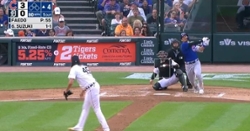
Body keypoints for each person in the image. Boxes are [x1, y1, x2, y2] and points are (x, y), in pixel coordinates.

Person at [65, 55, 110, 131]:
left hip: (91, 89)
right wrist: (83, 91)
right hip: (92, 87)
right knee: (85, 108)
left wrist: (66, 91)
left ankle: (106, 129)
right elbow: (87, 79)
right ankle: (79, 127)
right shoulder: (83, 66)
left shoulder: (73, 68)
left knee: (97, 109)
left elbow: (70, 82)